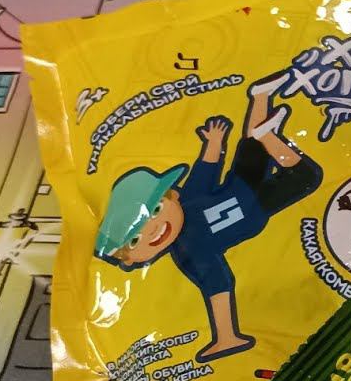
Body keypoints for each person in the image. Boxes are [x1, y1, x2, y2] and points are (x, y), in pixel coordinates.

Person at [95, 73, 322, 362]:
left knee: (301, 174)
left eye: (156, 210)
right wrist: (225, 337)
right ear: (131, 259)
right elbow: (217, 283)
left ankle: (264, 116)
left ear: (172, 196)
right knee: (258, 148)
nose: (154, 229)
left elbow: (206, 170)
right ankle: (262, 106)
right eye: (135, 239)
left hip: (250, 196)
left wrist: (215, 141)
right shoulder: (190, 245)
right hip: (253, 198)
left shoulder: (189, 225)